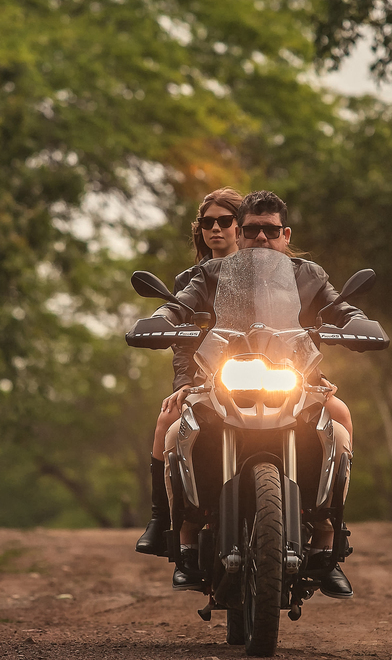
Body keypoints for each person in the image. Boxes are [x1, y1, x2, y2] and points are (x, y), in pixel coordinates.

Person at [152, 190, 361, 599]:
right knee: (177, 428)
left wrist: (358, 321)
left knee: (341, 419)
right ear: (241, 234)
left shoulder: (309, 275)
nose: (261, 238)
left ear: (285, 234)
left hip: (295, 379)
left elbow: (338, 309)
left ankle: (329, 537)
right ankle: (185, 532)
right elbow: (180, 305)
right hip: (223, 379)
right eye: (251, 230)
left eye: (270, 230)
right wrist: (160, 318)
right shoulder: (212, 273)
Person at [135, 187, 243, 558]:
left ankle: (327, 528)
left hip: (269, 377)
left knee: (334, 415)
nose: (216, 229)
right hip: (208, 380)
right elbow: (182, 344)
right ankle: (166, 521)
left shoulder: (268, 274)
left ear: (240, 226)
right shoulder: (190, 280)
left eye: (225, 221)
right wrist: (186, 383)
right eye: (208, 222)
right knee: (167, 422)